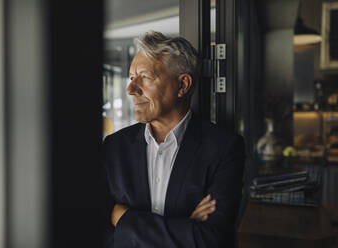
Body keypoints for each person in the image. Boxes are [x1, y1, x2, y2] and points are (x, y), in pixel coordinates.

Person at [102, 31, 245, 248]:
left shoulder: (224, 148)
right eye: (131, 78)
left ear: (183, 85)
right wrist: (185, 227)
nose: (131, 89)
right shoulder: (114, 147)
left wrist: (123, 218)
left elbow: (211, 240)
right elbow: (100, 232)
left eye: (145, 77)